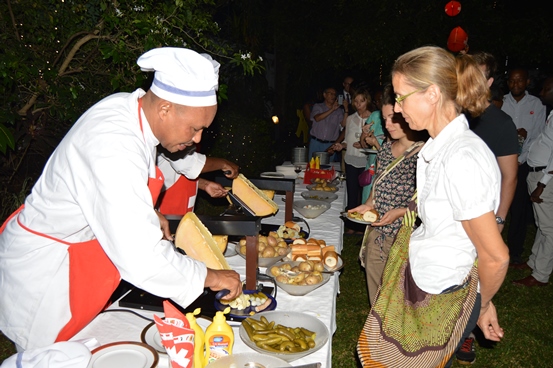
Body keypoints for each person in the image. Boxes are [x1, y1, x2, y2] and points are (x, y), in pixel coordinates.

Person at [0, 47, 243, 351]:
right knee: (48, 353)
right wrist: (210, 277)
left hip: (77, 255)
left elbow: (113, 189)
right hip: (47, 273)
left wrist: (149, 211)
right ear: (165, 108)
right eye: (195, 129)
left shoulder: (129, 110)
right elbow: (140, 255)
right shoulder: (113, 141)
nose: (197, 140)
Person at [357, 46, 509, 367]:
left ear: (433, 94)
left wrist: (480, 304)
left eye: (401, 97)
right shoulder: (438, 148)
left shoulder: (462, 157)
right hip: (425, 281)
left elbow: (495, 256)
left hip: (444, 293)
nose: (396, 110)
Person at [453, 51, 519, 365]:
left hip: (483, 214)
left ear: (489, 82)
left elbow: (510, 176)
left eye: (476, 78)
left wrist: (501, 217)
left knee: (476, 274)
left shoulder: (501, 123)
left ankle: (466, 334)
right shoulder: (453, 117)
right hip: (453, 213)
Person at [349, 85, 424, 304]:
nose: (387, 125)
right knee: (377, 295)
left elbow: (431, 199)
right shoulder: (385, 147)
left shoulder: (425, 152)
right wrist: (369, 203)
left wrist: (400, 212)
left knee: (401, 299)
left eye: (393, 118)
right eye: (384, 119)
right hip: (377, 233)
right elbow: (378, 181)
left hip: (405, 236)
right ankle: (378, 334)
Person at [501, 67, 546, 266]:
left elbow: (537, 135)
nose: (515, 84)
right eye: (512, 81)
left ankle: (515, 250)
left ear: (527, 82)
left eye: (519, 81)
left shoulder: (536, 104)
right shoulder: (500, 102)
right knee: (496, 206)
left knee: (519, 209)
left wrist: (521, 158)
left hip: (523, 163)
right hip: (501, 165)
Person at [513, 77, 553, 287]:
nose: (541, 91)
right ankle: (534, 262)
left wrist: (542, 184)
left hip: (545, 178)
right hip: (537, 174)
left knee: (549, 229)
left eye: (546, 88)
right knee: (542, 225)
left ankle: (541, 275)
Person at [156, 147, 239, 216]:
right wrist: (223, 164)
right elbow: (185, 163)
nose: (198, 138)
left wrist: (204, 184)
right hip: (165, 210)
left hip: (184, 209)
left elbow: (173, 170)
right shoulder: (170, 137)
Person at [330, 87, 372, 215]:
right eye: (356, 101)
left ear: (367, 102)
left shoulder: (374, 119)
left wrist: (364, 145)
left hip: (366, 161)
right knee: (352, 192)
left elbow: (378, 142)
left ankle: (363, 221)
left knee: (365, 193)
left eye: (362, 101)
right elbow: (347, 141)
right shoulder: (350, 119)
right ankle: (351, 222)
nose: (358, 104)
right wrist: (341, 146)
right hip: (351, 160)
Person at [308, 87, 348, 160]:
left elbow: (344, 124)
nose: (333, 96)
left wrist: (346, 110)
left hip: (330, 144)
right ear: (324, 95)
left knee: (327, 168)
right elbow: (317, 118)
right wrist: (332, 109)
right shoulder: (318, 106)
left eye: (334, 94)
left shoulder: (339, 111)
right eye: (331, 94)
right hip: (316, 142)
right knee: (313, 166)